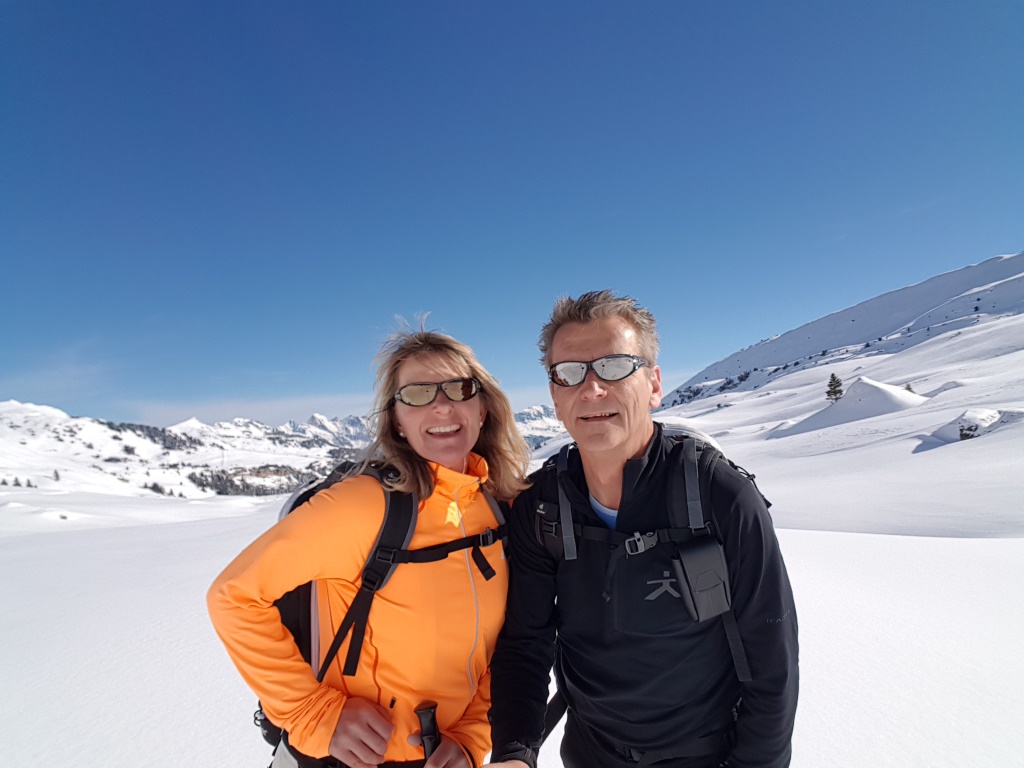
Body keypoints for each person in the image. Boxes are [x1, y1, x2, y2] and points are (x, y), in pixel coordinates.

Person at [487, 291, 799, 768]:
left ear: (653, 384)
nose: (591, 390)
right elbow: (525, 645)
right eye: (570, 373)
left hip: (709, 755)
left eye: (613, 367)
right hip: (591, 753)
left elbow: (771, 658)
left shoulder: (716, 493)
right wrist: (514, 752)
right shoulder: (541, 506)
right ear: (554, 396)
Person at [208, 329, 531, 768]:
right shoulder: (361, 506)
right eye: (416, 394)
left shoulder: (497, 510)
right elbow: (234, 597)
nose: (441, 405)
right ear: (396, 419)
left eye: (459, 388)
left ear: (483, 406)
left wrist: (472, 735)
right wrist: (313, 712)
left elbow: (501, 647)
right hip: (351, 759)